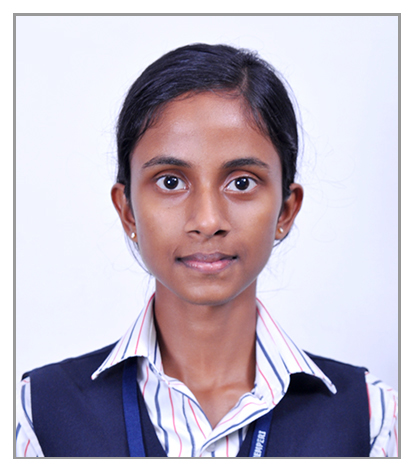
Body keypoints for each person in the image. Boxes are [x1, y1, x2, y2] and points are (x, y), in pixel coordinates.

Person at [16, 43, 398, 457]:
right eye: (170, 182)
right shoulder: (35, 416)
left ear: (286, 210)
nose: (208, 219)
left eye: (241, 182)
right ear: (127, 211)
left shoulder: (373, 419)